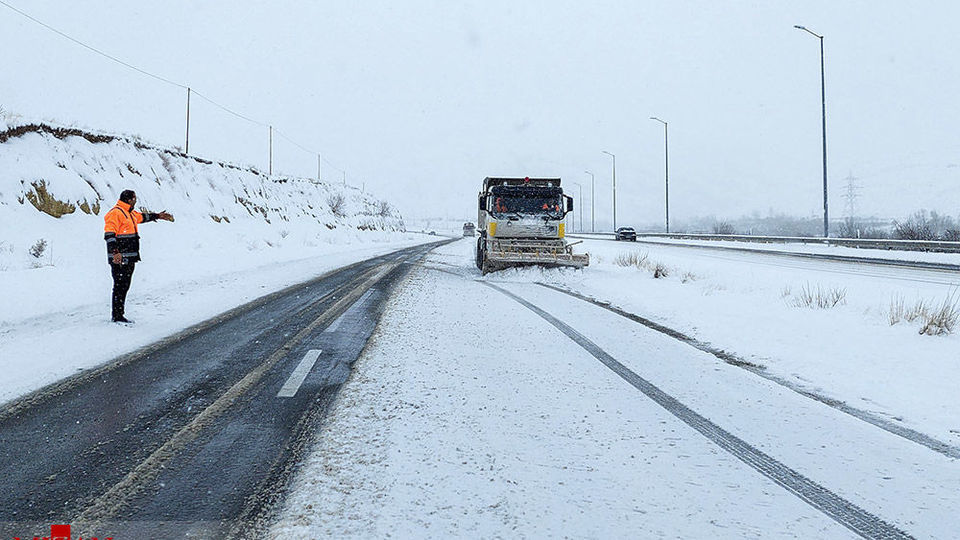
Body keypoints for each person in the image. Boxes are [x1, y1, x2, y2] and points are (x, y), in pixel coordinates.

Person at [103, 190, 174, 323]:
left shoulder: (129, 213)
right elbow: (109, 235)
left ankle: (119, 313)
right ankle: (117, 315)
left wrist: (157, 216)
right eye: (134, 199)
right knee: (120, 285)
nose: (135, 201)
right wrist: (115, 252)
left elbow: (142, 217)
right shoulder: (116, 213)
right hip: (120, 258)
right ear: (129, 200)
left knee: (124, 285)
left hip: (129, 257)